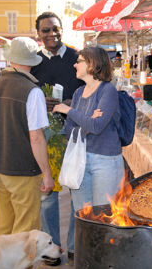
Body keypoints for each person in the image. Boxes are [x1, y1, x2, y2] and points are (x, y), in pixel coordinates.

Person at [31, 11, 83, 264]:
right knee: (47, 198)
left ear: (62, 29)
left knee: (76, 193)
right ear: (38, 35)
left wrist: (72, 102)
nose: (52, 34)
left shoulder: (77, 57)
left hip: (74, 135)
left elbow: (89, 89)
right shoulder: (34, 61)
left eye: (55, 28)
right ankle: (53, 249)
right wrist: (42, 101)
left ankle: (74, 246)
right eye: (46, 30)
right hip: (45, 137)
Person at [0, 37, 55, 236]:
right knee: (26, 233)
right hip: (23, 169)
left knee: (4, 228)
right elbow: (36, 137)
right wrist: (47, 173)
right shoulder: (32, 91)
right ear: (31, 62)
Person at [53, 46, 124, 213]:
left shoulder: (108, 91)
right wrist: (87, 122)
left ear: (92, 64)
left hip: (106, 161)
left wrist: (68, 110)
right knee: (82, 215)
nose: (74, 65)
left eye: (79, 61)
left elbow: (96, 126)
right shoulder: (78, 92)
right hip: (80, 160)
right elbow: (69, 129)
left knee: (104, 216)